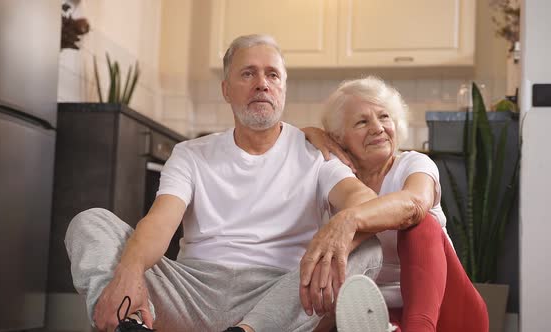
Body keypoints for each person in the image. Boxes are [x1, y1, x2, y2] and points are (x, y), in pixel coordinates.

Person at [65, 35, 387, 332]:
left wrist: (340, 226)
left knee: (367, 247)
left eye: (272, 75)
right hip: (192, 291)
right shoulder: (191, 153)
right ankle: (132, 323)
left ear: (283, 89)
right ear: (226, 89)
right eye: (248, 73)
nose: (262, 84)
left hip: (278, 295)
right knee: (90, 223)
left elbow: (365, 202)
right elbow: (159, 223)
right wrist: (130, 270)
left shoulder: (317, 154)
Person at [302, 76, 489, 332]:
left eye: (384, 117)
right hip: (377, 316)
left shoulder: (414, 164)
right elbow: (284, 145)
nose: (378, 128)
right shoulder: (334, 180)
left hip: (447, 312)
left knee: (420, 224)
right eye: (362, 122)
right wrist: (308, 133)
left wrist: (350, 219)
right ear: (338, 138)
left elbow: (414, 204)